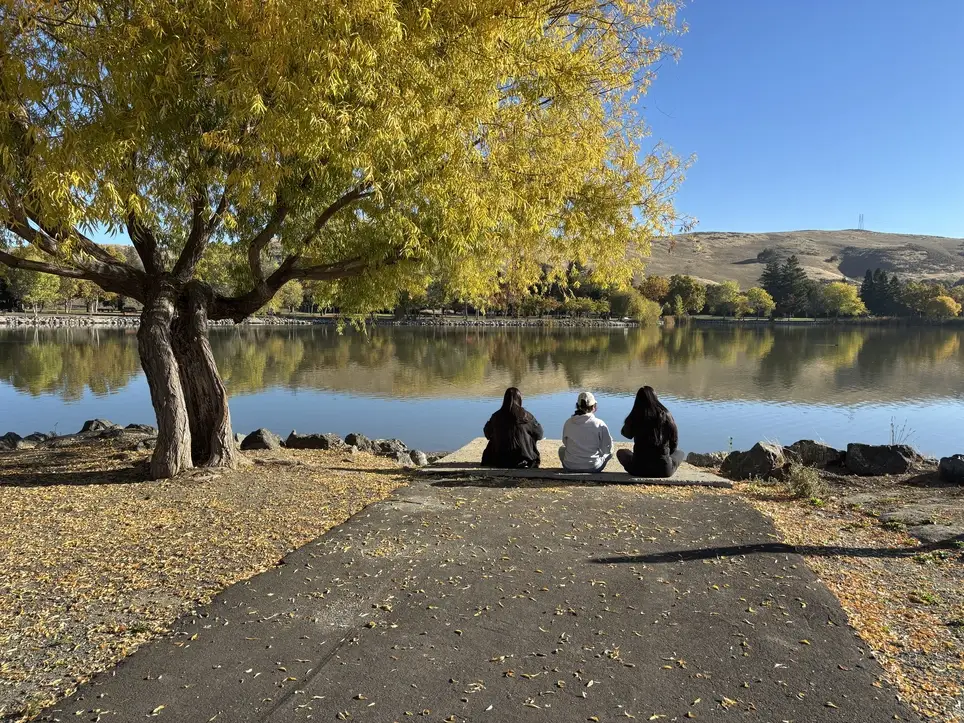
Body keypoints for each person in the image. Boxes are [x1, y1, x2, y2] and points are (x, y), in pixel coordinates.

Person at [616, 386, 684, 477]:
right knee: (680, 453)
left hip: (638, 469)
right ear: (655, 398)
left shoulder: (636, 415)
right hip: (663, 470)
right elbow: (674, 441)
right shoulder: (666, 415)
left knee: (621, 452)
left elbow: (626, 434)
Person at [481, 387, 544, 468]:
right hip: (525, 461)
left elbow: (487, 434)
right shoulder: (527, 417)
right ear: (519, 399)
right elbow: (539, 434)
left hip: (499, 461)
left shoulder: (496, 416)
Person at [558, 391, 613, 472]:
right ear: (594, 407)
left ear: (577, 406)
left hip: (570, 466)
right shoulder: (599, 423)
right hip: (593, 467)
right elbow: (607, 449)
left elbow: (565, 443)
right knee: (610, 447)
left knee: (562, 449)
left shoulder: (568, 422)